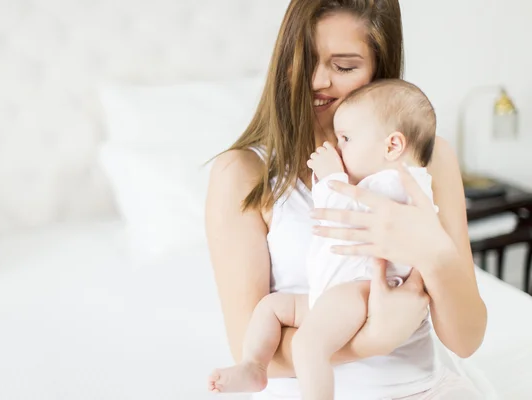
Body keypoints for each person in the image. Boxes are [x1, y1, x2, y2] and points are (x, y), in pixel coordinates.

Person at [205, 1, 487, 399]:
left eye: (344, 67)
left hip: (417, 386)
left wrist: (436, 253)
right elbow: (249, 348)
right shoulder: (242, 175)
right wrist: (376, 338)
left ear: (377, 68)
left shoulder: (427, 158)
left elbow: (466, 340)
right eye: (305, 59)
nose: (318, 80)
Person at [208, 79, 441, 399]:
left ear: (392, 146)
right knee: (271, 308)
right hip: (333, 292)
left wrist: (332, 178)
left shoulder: (400, 182)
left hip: (363, 290)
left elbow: (346, 215)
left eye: (346, 138)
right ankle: (255, 366)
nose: (338, 145)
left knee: (307, 345)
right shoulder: (379, 178)